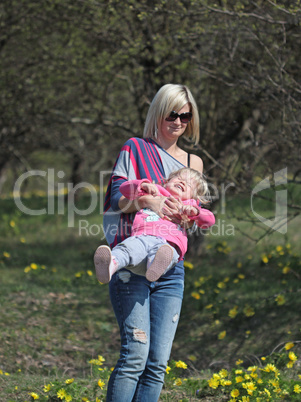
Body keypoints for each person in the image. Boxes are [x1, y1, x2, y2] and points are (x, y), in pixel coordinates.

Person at [102, 83, 205, 401]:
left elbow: (195, 216)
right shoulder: (134, 148)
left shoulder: (193, 162)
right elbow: (116, 198)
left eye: (185, 116)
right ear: (158, 113)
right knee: (135, 356)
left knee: (157, 363)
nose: (177, 121)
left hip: (170, 269)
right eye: (171, 114)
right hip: (132, 264)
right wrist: (150, 203)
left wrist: (186, 215)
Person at [95, 167, 215, 283]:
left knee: (167, 254)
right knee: (127, 249)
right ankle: (110, 265)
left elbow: (209, 220)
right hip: (143, 237)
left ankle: (154, 266)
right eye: (179, 178)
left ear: (194, 197)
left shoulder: (189, 206)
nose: (183, 182)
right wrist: (142, 185)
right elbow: (124, 189)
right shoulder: (155, 191)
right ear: (167, 182)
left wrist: (196, 212)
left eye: (190, 184)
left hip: (168, 243)